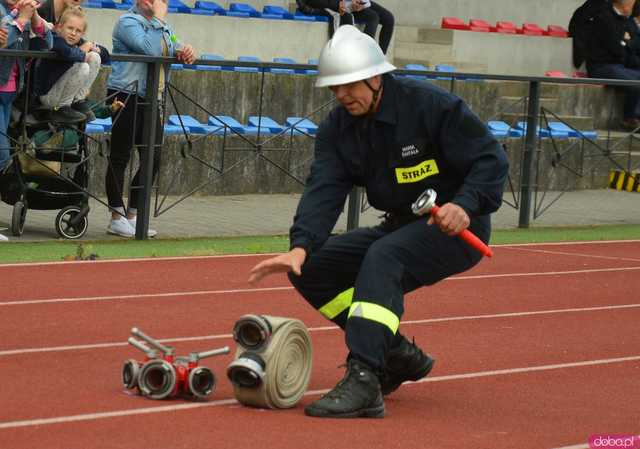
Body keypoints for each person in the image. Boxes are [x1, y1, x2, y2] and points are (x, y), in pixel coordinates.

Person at [248, 25, 509, 418]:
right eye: (334, 88)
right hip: (399, 224)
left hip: (456, 229)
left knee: (384, 258)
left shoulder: (428, 105)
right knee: (310, 269)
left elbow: (491, 159)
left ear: (375, 76)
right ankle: (394, 352)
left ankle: (366, 377)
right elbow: (324, 189)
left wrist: (466, 205)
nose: (340, 95)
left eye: (348, 85)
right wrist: (300, 246)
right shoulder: (338, 129)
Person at [105, 0, 196, 238]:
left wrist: (185, 50)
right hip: (125, 93)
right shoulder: (127, 22)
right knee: (121, 155)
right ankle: (116, 217)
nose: (155, 1)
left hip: (151, 97)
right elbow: (150, 50)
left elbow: (172, 46)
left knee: (153, 157)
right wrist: (159, 20)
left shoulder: (163, 28)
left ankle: (134, 215)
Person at [1, 0, 52, 171]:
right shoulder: (8, 13)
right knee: (2, 153)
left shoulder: (23, 13)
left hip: (11, 90)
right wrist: (20, 19)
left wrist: (34, 16)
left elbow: (48, 43)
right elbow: (3, 40)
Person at [33, 6, 104, 123]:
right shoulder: (54, 39)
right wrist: (83, 53)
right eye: (70, 28)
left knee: (95, 57)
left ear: (82, 33)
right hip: (47, 96)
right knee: (82, 66)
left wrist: (94, 46)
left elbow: (105, 54)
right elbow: (65, 51)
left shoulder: (78, 41)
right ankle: (63, 108)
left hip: (64, 94)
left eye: (78, 31)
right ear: (59, 27)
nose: (73, 33)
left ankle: (78, 102)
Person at [584, 0, 640, 129]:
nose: (634, 4)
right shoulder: (604, 17)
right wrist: (625, 43)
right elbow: (616, 48)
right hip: (601, 66)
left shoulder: (624, 20)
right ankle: (630, 119)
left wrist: (625, 43)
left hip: (619, 66)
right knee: (636, 84)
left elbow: (628, 47)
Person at [297, 0, 394, 54]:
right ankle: (364, 56)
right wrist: (340, 3)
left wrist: (360, 2)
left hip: (350, 3)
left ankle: (379, 58)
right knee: (373, 17)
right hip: (337, 4)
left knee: (389, 19)